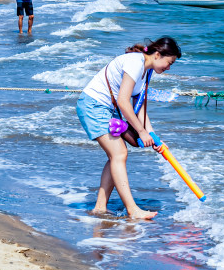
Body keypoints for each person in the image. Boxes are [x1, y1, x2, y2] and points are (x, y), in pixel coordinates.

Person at [76, 37, 181, 220]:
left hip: (107, 109)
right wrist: (141, 132)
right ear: (157, 55)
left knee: (116, 155)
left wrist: (154, 136)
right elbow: (124, 101)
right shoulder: (135, 63)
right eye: (169, 62)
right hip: (94, 105)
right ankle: (132, 209)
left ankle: (100, 207)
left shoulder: (146, 72)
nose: (169, 68)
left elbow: (139, 108)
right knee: (119, 154)